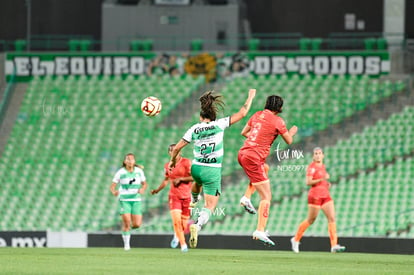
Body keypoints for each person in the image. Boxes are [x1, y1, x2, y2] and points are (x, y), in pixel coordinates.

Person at [169, 89, 256, 248]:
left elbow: (176, 149)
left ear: (201, 117)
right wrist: (250, 96)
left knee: (197, 181)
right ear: (213, 116)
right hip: (212, 169)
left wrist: (172, 162)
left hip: (196, 167)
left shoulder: (194, 129)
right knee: (210, 206)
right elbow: (243, 113)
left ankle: (194, 198)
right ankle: (197, 225)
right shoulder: (219, 124)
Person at [238, 95, 297, 246]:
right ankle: (260, 230)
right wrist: (292, 131)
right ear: (279, 108)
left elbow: (244, 132)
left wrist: (263, 137)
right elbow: (289, 140)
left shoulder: (257, 114)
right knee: (266, 197)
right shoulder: (278, 121)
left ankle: (246, 197)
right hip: (254, 157)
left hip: (243, 153)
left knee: (265, 168)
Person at [290, 147, 346, 253]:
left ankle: (334, 245)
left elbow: (321, 181)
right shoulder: (312, 167)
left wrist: (326, 184)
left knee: (332, 218)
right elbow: (308, 181)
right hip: (315, 196)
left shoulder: (323, 166)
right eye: (316, 153)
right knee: (311, 220)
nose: (318, 155)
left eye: (319, 153)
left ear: (323, 155)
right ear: (313, 156)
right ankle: (296, 239)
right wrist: (322, 179)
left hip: (325, 195)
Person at [151, 144, 194, 253]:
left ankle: (177, 235)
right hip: (174, 196)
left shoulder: (186, 162)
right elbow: (166, 180)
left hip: (187, 196)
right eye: (171, 151)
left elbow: (194, 177)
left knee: (184, 223)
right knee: (176, 221)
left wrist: (181, 179)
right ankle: (183, 244)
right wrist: (157, 190)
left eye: (176, 150)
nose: (174, 152)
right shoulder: (167, 166)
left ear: (179, 151)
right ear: (169, 153)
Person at [110, 153, 147, 251]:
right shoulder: (120, 172)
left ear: (134, 161)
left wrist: (142, 189)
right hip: (124, 200)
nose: (130, 161)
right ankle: (127, 245)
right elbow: (112, 186)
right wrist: (114, 192)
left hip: (136, 200)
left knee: (137, 224)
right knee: (127, 223)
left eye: (132, 159)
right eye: (128, 159)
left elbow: (144, 184)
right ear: (125, 161)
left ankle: (127, 229)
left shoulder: (139, 171)